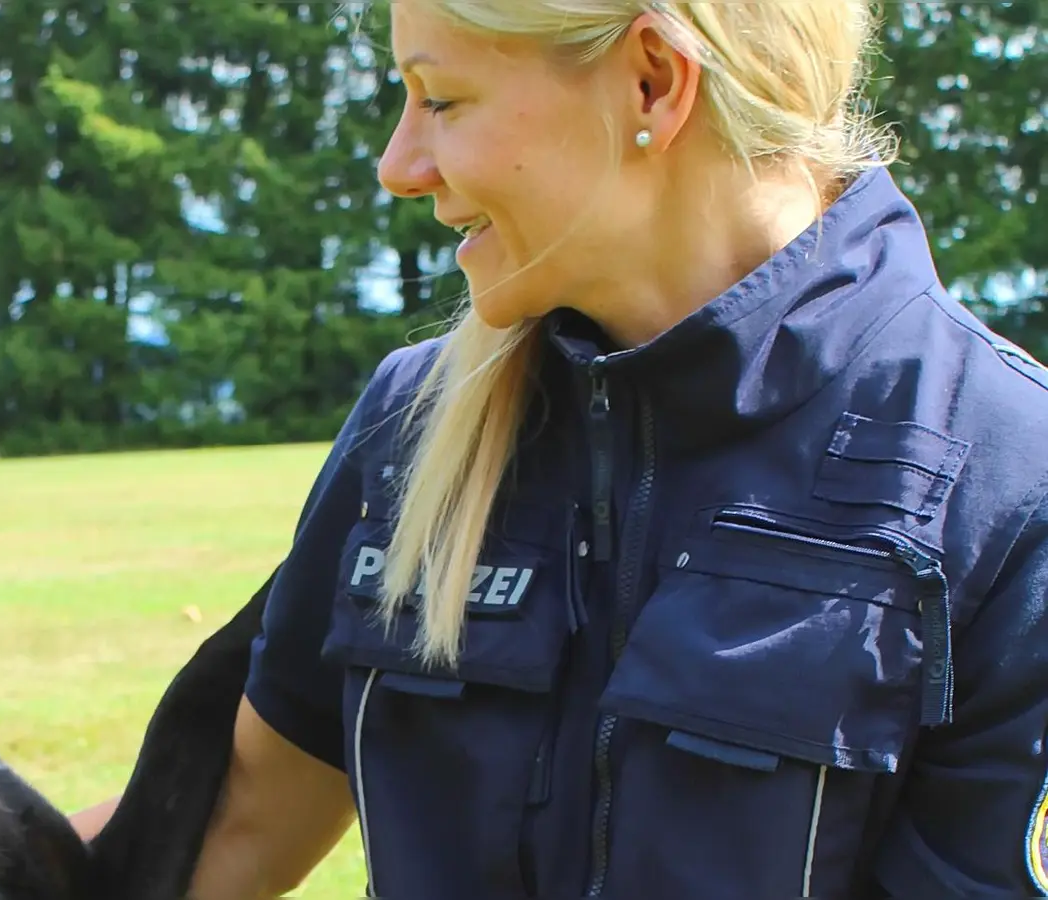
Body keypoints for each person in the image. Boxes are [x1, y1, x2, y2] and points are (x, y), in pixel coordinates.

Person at [74, 1, 1048, 897]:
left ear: (653, 82)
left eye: (441, 99)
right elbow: (230, 828)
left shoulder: (1010, 484)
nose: (398, 164)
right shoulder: (410, 423)